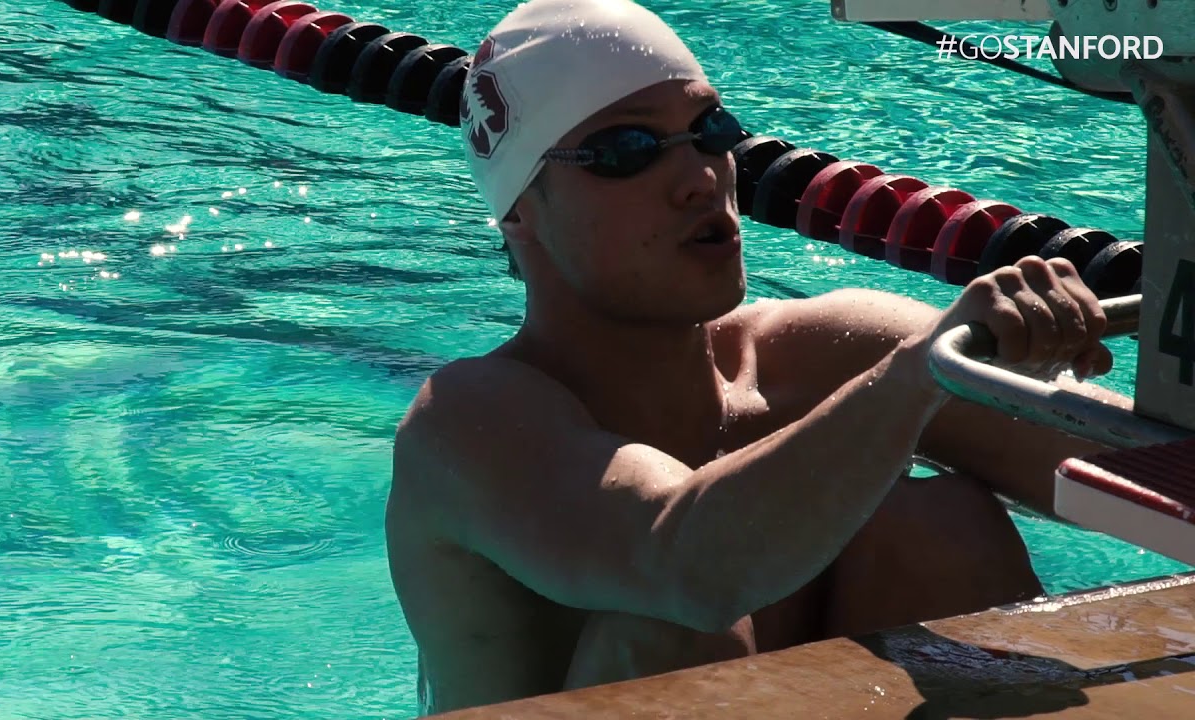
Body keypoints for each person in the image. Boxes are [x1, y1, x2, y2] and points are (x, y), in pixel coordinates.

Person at [384, 0, 1133, 714]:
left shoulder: (824, 355)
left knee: (937, 524)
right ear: (520, 207)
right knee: (672, 636)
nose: (699, 177)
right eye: (626, 152)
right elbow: (686, 569)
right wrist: (916, 378)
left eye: (710, 129)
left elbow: (1142, 473)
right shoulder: (467, 425)